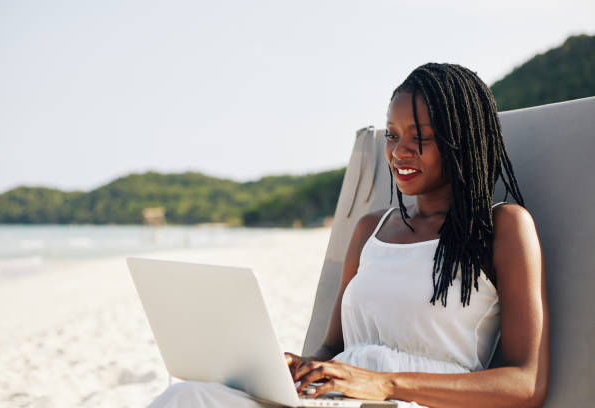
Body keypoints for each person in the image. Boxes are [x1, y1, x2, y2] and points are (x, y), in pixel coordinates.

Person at [149, 63, 549, 408]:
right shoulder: (371, 229)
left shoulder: (502, 228)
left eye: (419, 138)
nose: (398, 152)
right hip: (339, 398)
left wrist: (384, 383)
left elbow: (526, 385)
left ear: (461, 140)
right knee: (189, 397)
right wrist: (296, 368)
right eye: (392, 135)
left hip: (414, 401)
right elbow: (332, 348)